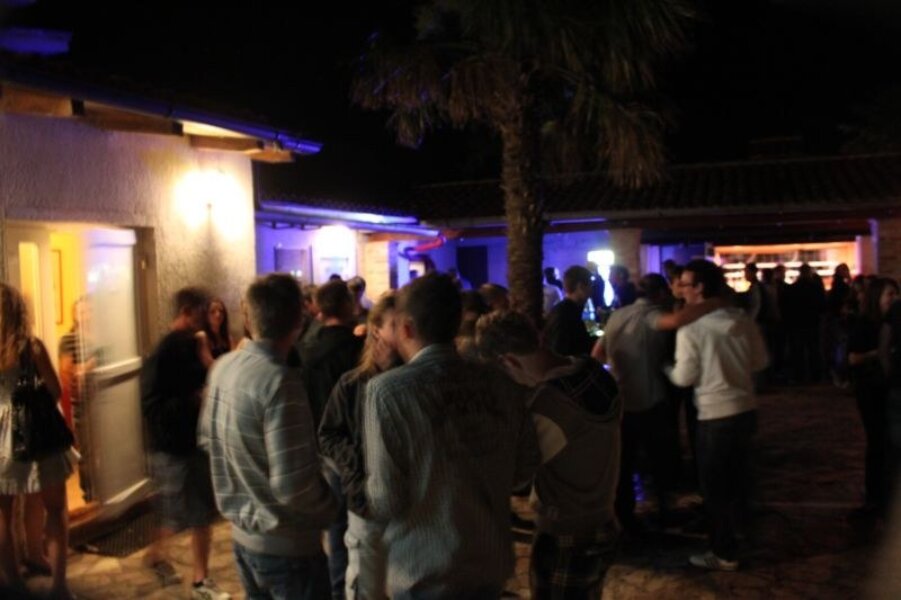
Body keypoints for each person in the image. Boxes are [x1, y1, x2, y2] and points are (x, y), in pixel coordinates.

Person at [363, 274, 539, 598]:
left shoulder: (388, 392)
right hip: (488, 561)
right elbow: (525, 469)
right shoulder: (499, 382)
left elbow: (386, 498)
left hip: (425, 568)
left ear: (406, 328)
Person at [200, 274, 337, 600]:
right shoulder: (280, 383)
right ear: (299, 321)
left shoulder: (223, 368)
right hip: (288, 547)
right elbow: (294, 486)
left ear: (248, 318)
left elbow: (208, 441)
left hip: (243, 540)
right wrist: (332, 505)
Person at [476, 311, 622, 600]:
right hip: (604, 518)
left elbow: (516, 475)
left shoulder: (549, 407)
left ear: (509, 361)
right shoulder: (593, 371)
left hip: (567, 532)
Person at [667, 260, 768, 571]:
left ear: (699, 288)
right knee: (740, 478)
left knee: (714, 487)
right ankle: (743, 534)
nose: (681, 290)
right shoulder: (741, 320)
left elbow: (684, 377)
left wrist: (667, 369)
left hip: (714, 413)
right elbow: (760, 362)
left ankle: (724, 552)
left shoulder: (692, 329)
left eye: (685, 284)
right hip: (745, 409)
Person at [140, 287, 228, 599]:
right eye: (203, 311)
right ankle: (201, 581)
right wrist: (196, 400)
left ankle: (156, 555)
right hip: (176, 445)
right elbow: (152, 405)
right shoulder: (166, 351)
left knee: (178, 511)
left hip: (191, 442)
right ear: (187, 312)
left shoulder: (194, 344)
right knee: (196, 513)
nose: (208, 317)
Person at [319, 293, 400, 599]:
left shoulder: (416, 381)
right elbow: (328, 434)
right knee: (366, 587)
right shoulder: (352, 384)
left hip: (410, 509)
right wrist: (356, 465)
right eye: (396, 324)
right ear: (376, 330)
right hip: (366, 506)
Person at [0, 284, 74, 599]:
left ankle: (14, 583)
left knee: (4, 514)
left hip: (1, 438)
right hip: (36, 434)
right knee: (55, 509)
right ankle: (59, 586)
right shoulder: (32, 347)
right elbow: (55, 389)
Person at [598, 274, 680, 531]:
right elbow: (675, 321)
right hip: (651, 400)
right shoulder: (652, 315)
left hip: (623, 399)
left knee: (624, 463)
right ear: (660, 294)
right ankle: (664, 512)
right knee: (660, 461)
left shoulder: (616, 316)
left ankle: (625, 515)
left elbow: (597, 353)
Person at [848, 277, 899, 517]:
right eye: (889, 294)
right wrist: (879, 352)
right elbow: (853, 358)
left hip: (888, 387)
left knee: (888, 442)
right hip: (870, 388)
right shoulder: (866, 323)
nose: (894, 299)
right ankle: (874, 496)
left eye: (896, 294)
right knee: (877, 441)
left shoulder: (894, 321)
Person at [57, 297, 97, 505]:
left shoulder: (101, 337)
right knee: (87, 453)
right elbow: (68, 373)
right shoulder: (68, 340)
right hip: (83, 404)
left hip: (105, 401)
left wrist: (86, 367)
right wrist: (89, 365)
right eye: (82, 312)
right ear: (75, 315)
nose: (87, 315)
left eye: (89, 311)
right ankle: (89, 495)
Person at [542, 266, 594, 356]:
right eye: (590, 285)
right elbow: (560, 352)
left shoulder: (569, 310)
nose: (592, 290)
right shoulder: (565, 314)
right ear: (580, 287)